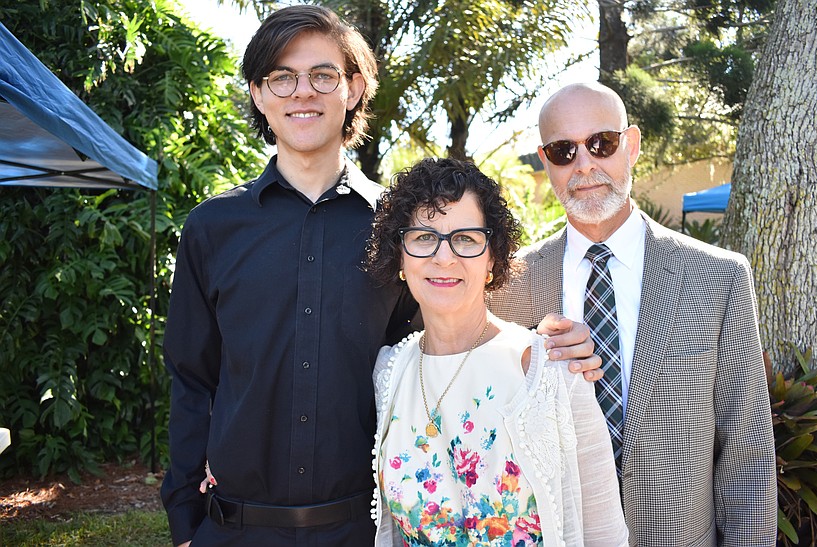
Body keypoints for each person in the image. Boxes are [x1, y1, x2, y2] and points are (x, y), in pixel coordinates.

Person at [160, 6, 601, 546]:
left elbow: (455, 325)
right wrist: (184, 522)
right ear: (258, 92)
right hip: (232, 531)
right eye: (282, 77)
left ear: (354, 87)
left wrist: (549, 348)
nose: (304, 92)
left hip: (363, 531)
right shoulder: (212, 228)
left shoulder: (403, 230)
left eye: (323, 75)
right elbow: (191, 380)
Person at [488, 82, 777, 545]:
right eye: (564, 151)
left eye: (602, 143)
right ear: (545, 162)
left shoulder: (718, 278)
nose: (584, 165)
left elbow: (748, 456)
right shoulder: (506, 287)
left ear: (632, 145)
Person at [365, 157, 629, 546]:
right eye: (423, 237)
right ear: (400, 256)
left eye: (466, 238)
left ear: (492, 259)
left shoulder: (550, 369)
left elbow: (604, 533)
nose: (444, 257)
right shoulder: (390, 373)